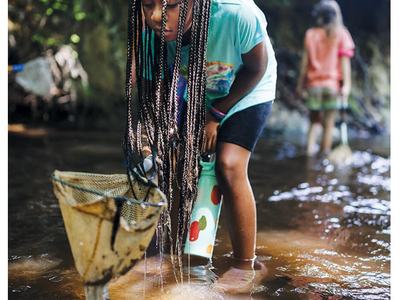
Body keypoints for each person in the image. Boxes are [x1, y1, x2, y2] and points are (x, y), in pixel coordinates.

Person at [126, 0, 277, 294]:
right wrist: (148, 136)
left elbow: (257, 67)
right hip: (190, 90)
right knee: (166, 161)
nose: (157, 16)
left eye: (169, 6)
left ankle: (244, 265)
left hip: (245, 90)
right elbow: (149, 91)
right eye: (148, 5)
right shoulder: (148, 31)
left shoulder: (236, 14)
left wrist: (216, 115)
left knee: (228, 165)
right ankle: (161, 254)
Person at [296, 0, 355, 157]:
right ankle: (324, 156)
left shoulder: (310, 34)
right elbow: (345, 63)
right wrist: (347, 86)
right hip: (332, 87)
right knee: (328, 125)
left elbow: (304, 64)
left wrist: (300, 86)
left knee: (314, 123)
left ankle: (308, 155)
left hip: (313, 86)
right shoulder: (341, 34)